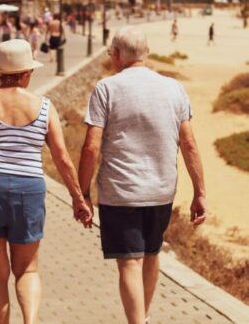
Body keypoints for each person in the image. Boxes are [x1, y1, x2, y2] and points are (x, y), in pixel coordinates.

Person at [78, 26, 207, 324]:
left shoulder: (106, 88)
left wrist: (81, 192)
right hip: (161, 190)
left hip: (121, 192)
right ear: (146, 54)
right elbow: (188, 143)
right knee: (151, 255)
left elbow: (90, 147)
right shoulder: (174, 88)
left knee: (129, 264)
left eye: (111, 54)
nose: (111, 59)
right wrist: (200, 191)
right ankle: (143, 318)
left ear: (119, 55)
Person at [0, 39, 92, 324]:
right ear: (26, 73)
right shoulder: (43, 106)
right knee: (27, 270)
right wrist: (79, 198)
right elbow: (62, 158)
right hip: (28, 190)